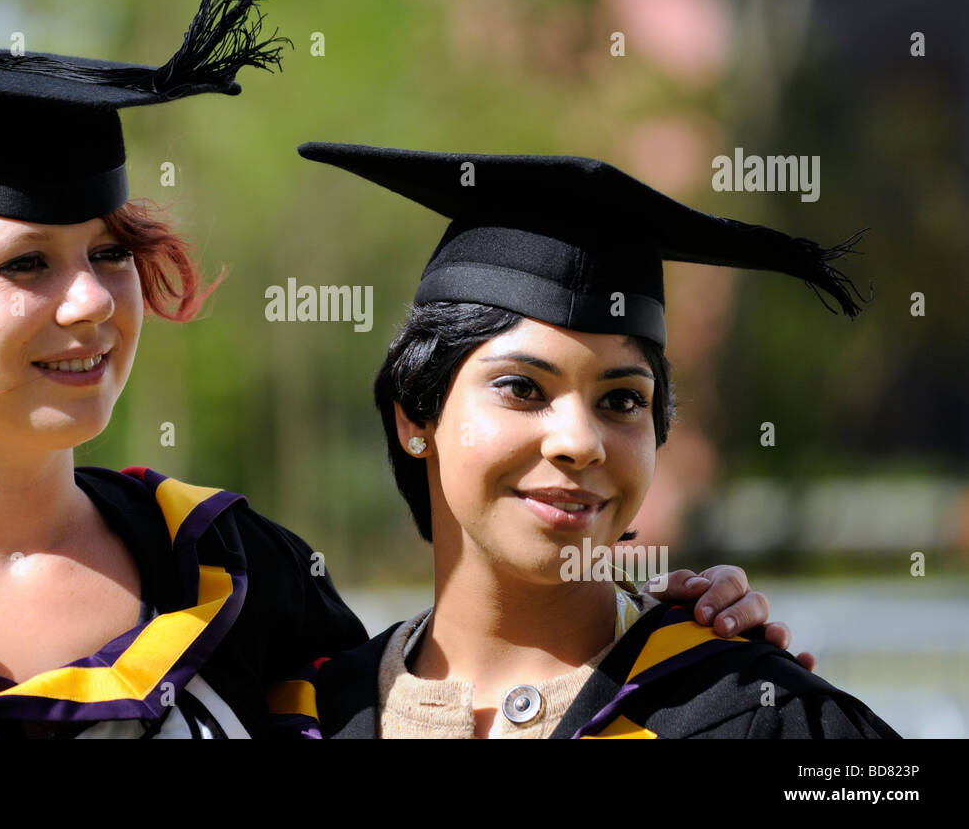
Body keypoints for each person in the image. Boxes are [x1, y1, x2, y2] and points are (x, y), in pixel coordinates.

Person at [0, 0, 802, 738]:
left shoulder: (236, 574)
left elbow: (453, 699)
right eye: (27, 264)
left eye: (109, 251)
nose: (90, 304)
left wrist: (680, 650)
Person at [275, 142, 899, 739]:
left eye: (622, 399)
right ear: (416, 414)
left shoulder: (757, 717)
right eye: (522, 388)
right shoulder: (302, 714)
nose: (580, 442)